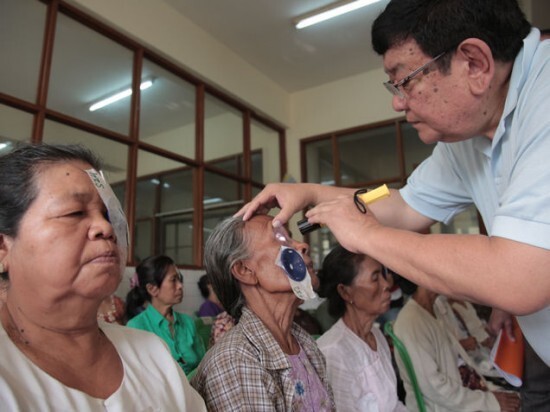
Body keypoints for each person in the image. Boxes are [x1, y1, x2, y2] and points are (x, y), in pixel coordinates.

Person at [237, 1, 550, 409]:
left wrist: (367, 235)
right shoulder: (467, 136)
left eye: (404, 81)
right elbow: (399, 203)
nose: (398, 103)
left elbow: (518, 276)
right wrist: (315, 194)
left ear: (474, 63)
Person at [0, 143, 205, 410]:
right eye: (75, 212)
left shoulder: (153, 353)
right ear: (3, 247)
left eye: (108, 215)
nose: (106, 228)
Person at [191, 215, 335, 411]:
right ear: (245, 270)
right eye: (281, 240)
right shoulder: (236, 362)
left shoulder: (304, 344)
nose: (302, 245)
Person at [394, 283, 520, 411]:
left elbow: (456, 357)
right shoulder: (411, 322)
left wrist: (486, 393)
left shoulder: (435, 309)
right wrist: (488, 402)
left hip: (458, 397)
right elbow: (434, 389)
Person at [316, 245, 407, 412]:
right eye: (375, 278)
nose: (387, 284)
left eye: (383, 274)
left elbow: (394, 405)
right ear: (345, 292)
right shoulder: (333, 352)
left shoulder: (376, 335)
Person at [126, 255, 205, 375]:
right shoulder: (136, 327)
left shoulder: (188, 323)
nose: (180, 286)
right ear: (152, 289)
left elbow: (204, 365)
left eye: (179, 279)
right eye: (173, 280)